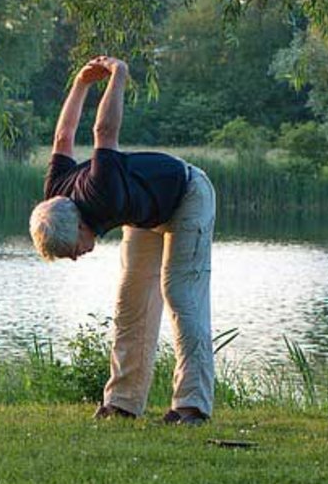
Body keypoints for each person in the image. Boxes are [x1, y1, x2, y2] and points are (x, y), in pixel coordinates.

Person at [28, 55, 216, 425]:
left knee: (180, 294)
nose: (78, 257)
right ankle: (122, 402)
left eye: (73, 251)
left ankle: (192, 406)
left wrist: (118, 75)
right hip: (144, 213)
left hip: (188, 195)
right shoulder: (56, 194)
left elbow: (104, 132)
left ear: (80, 225)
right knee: (131, 303)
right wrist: (80, 83)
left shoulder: (101, 192)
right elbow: (63, 137)